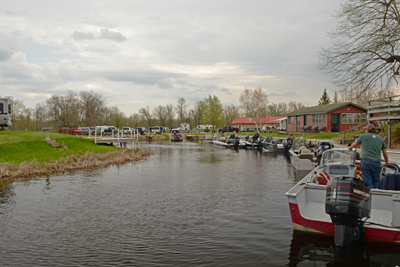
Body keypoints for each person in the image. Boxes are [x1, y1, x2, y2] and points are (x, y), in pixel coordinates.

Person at [348, 124, 389, 189]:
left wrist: (350, 148)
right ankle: (376, 196)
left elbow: (355, 144)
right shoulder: (380, 138)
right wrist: (386, 162)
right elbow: (384, 152)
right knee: (376, 181)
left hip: (366, 161)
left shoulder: (363, 136)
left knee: (367, 181)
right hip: (376, 163)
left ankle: (369, 197)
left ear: (367, 130)